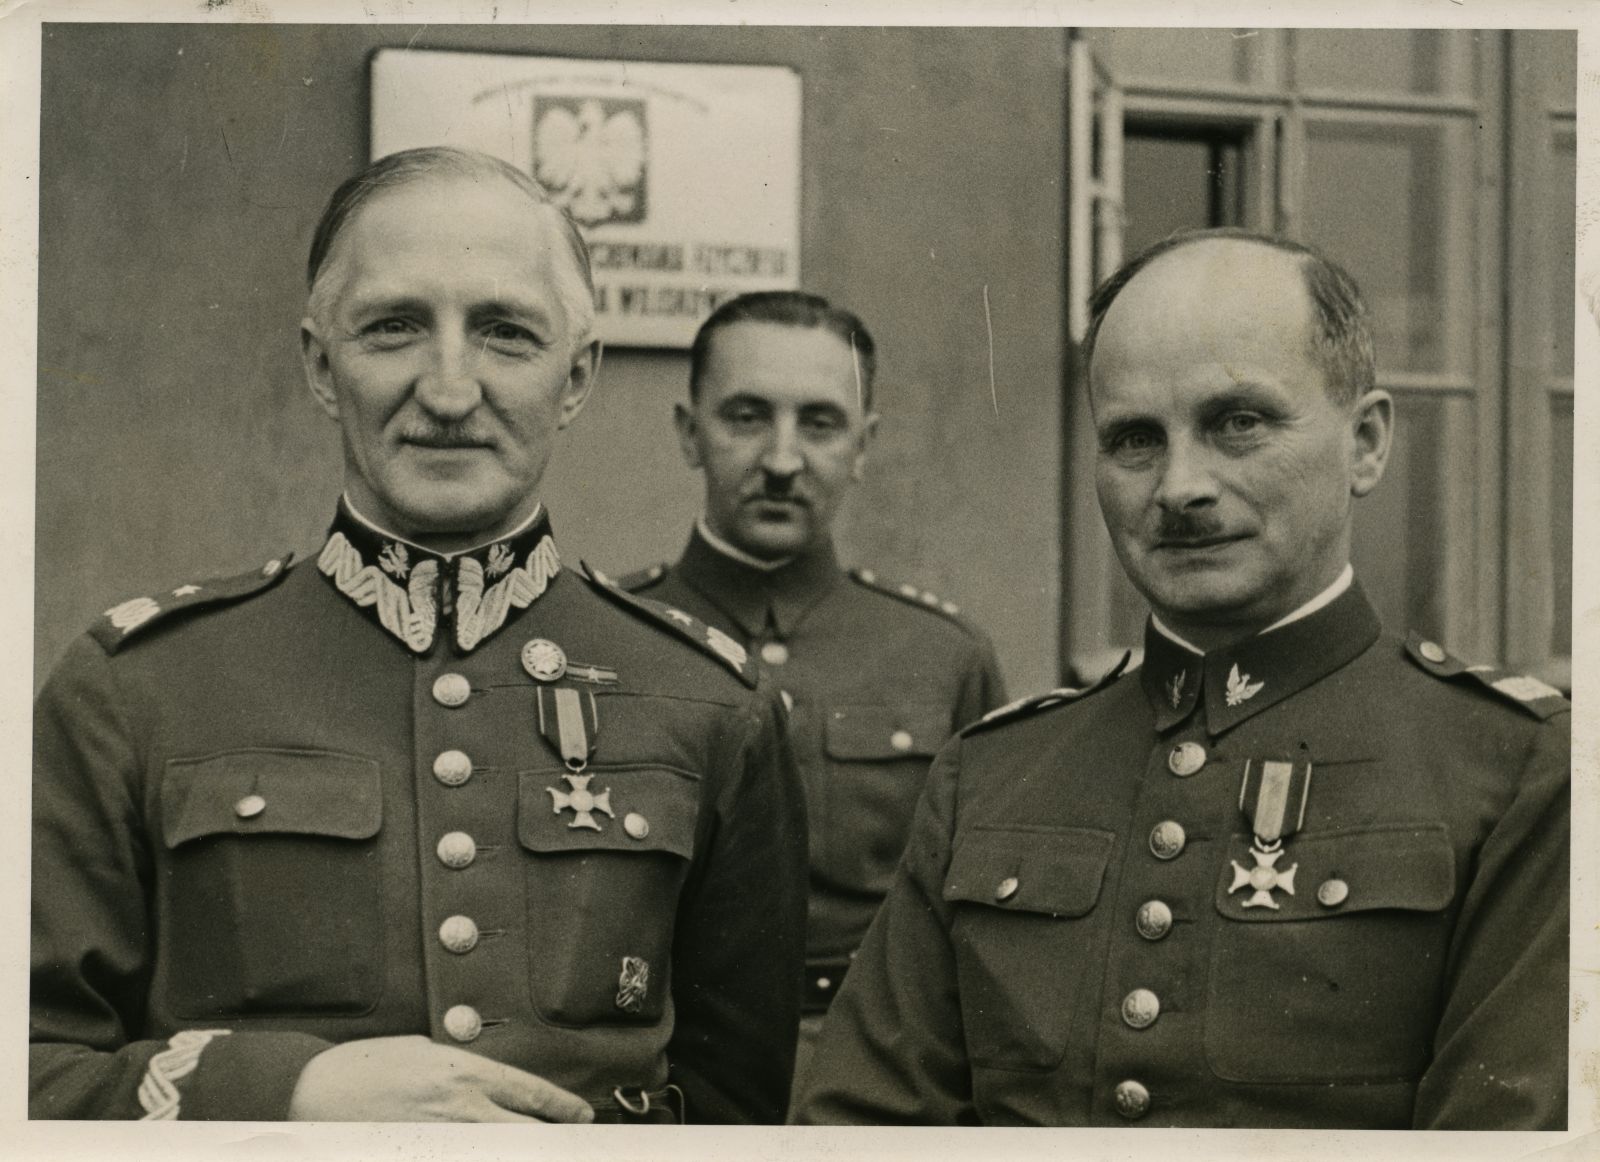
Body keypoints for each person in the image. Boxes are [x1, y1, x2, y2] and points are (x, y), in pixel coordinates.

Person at [30, 146, 807, 1125]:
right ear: (322, 365)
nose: (448, 390)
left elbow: (735, 1118)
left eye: (506, 333)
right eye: (393, 326)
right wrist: (285, 1093)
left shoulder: (711, 706)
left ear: (576, 378)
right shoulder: (136, 688)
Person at [792, 228, 1569, 1128]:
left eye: (1238, 423)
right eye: (1134, 439)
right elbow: (859, 1128)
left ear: (1365, 443)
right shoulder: (991, 775)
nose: (1178, 487)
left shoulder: (1517, 772)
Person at [615, 291, 1006, 1085]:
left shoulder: (944, 657)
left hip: (876, 1069)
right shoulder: (611, 639)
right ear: (690, 433)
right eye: (747, 417)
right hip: (663, 1065)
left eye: (821, 424)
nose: (783, 460)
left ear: (864, 446)